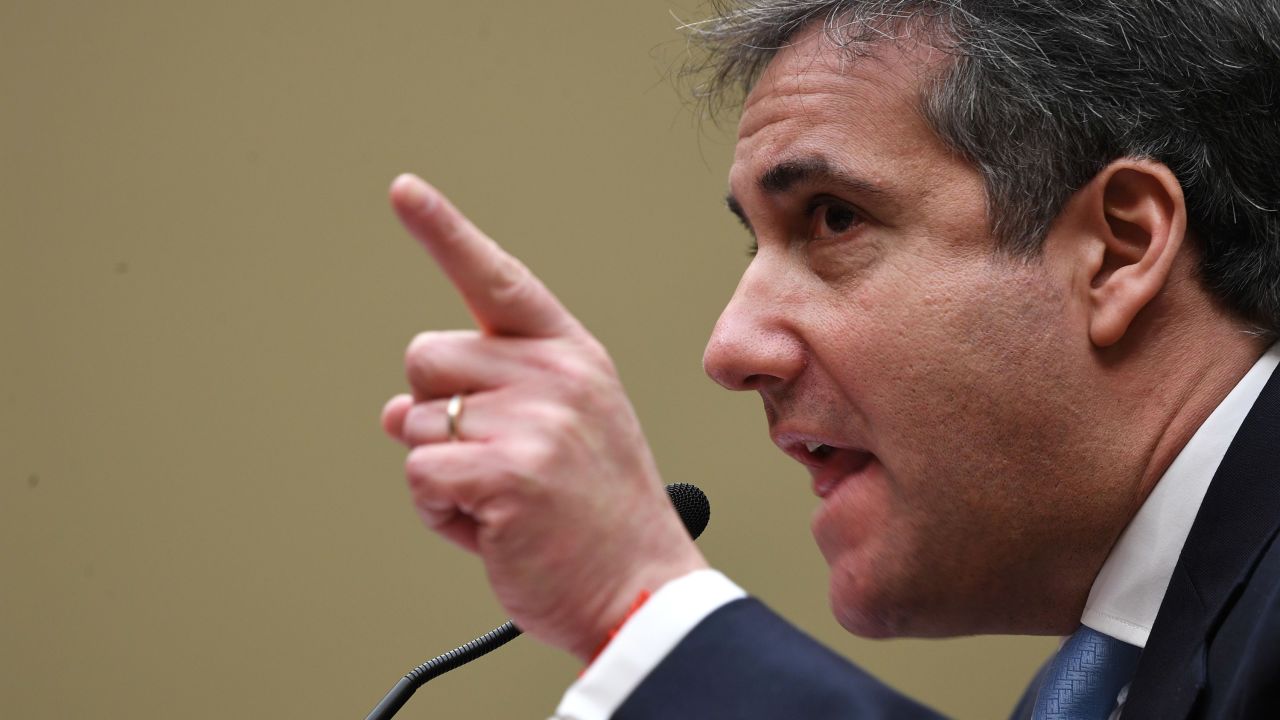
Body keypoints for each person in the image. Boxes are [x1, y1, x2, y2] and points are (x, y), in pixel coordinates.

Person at [379, 1, 1280, 717]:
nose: (731, 350)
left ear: (1118, 249)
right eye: (755, 246)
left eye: (834, 218)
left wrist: (640, 606)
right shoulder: (1092, 690)